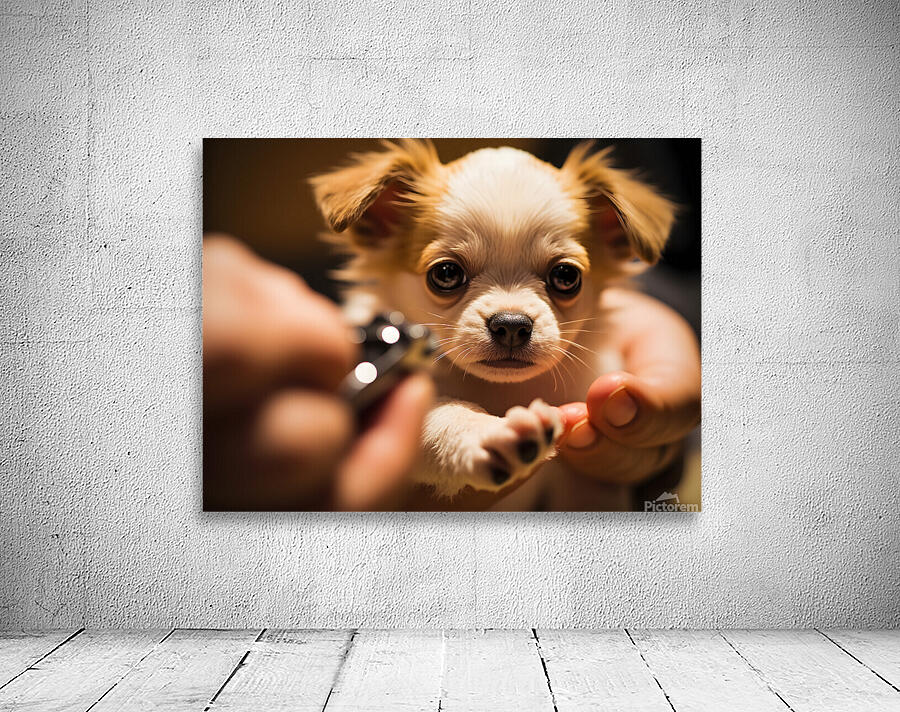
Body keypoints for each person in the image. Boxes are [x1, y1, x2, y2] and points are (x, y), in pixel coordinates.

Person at [203, 235, 699, 511]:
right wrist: (462, 432)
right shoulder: (357, 334)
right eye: (448, 275)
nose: (510, 319)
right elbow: (416, 420)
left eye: (562, 277)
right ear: (382, 223)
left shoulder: (607, 345)